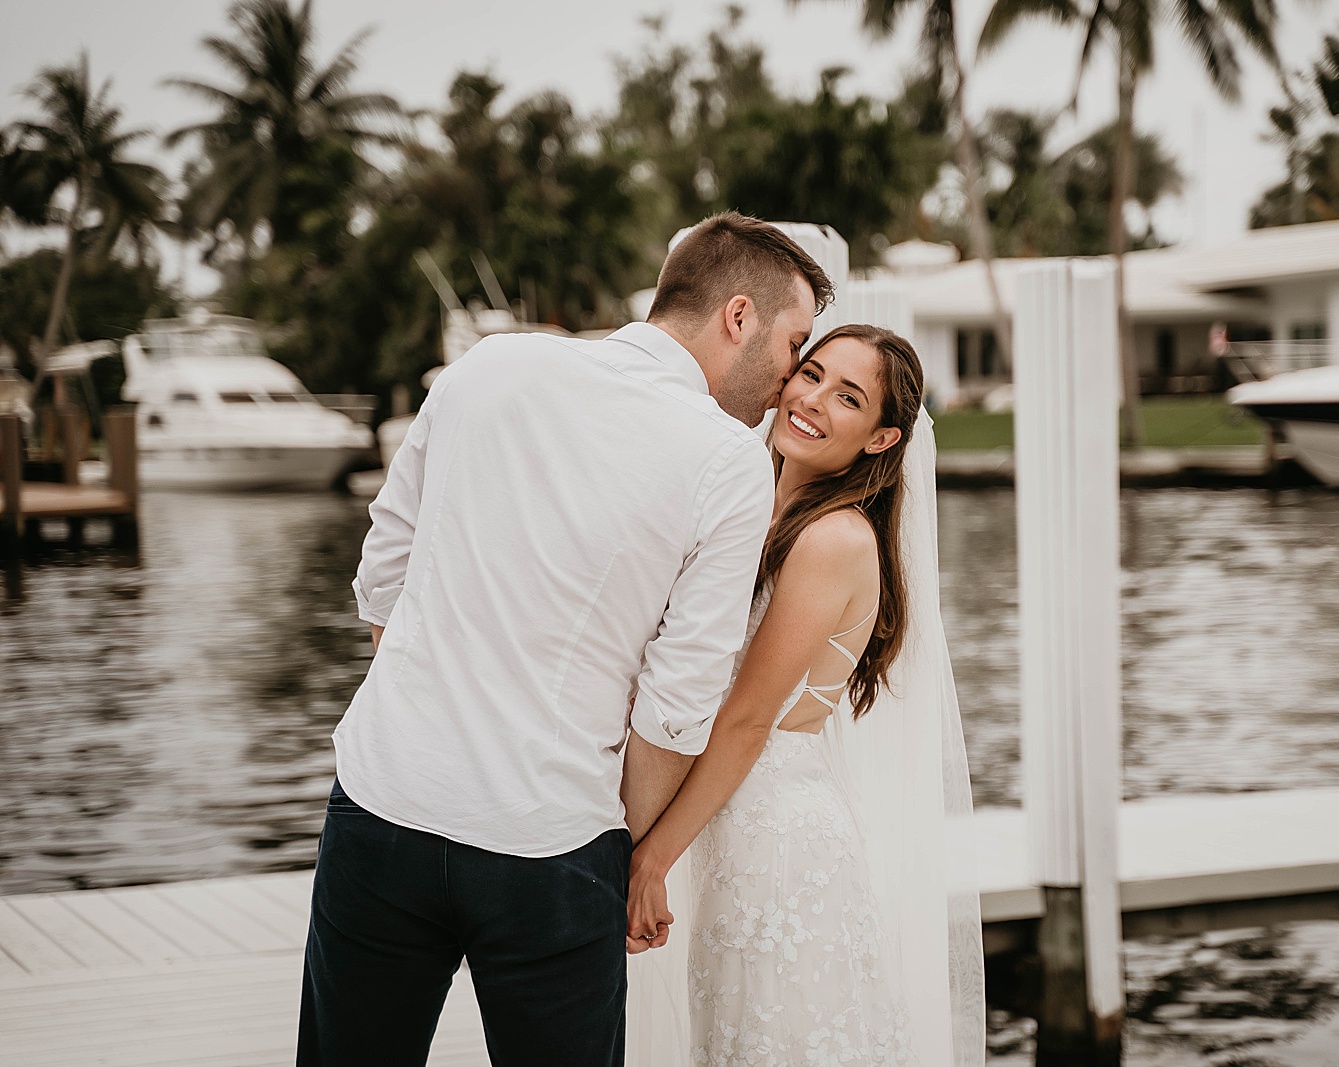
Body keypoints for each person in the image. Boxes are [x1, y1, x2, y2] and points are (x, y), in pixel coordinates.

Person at [296, 212, 833, 1067]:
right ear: (739, 316)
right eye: (794, 341)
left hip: (383, 803)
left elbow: (382, 573)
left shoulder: (492, 364)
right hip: (550, 843)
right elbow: (676, 708)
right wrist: (618, 851)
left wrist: (434, 719)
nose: (791, 376)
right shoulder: (726, 459)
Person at [623, 325, 986, 1066]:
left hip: (776, 841)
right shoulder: (754, 509)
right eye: (811, 373)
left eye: (847, 396)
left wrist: (650, 858)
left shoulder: (834, 539)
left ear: (882, 438)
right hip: (727, 825)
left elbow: (749, 717)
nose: (811, 400)